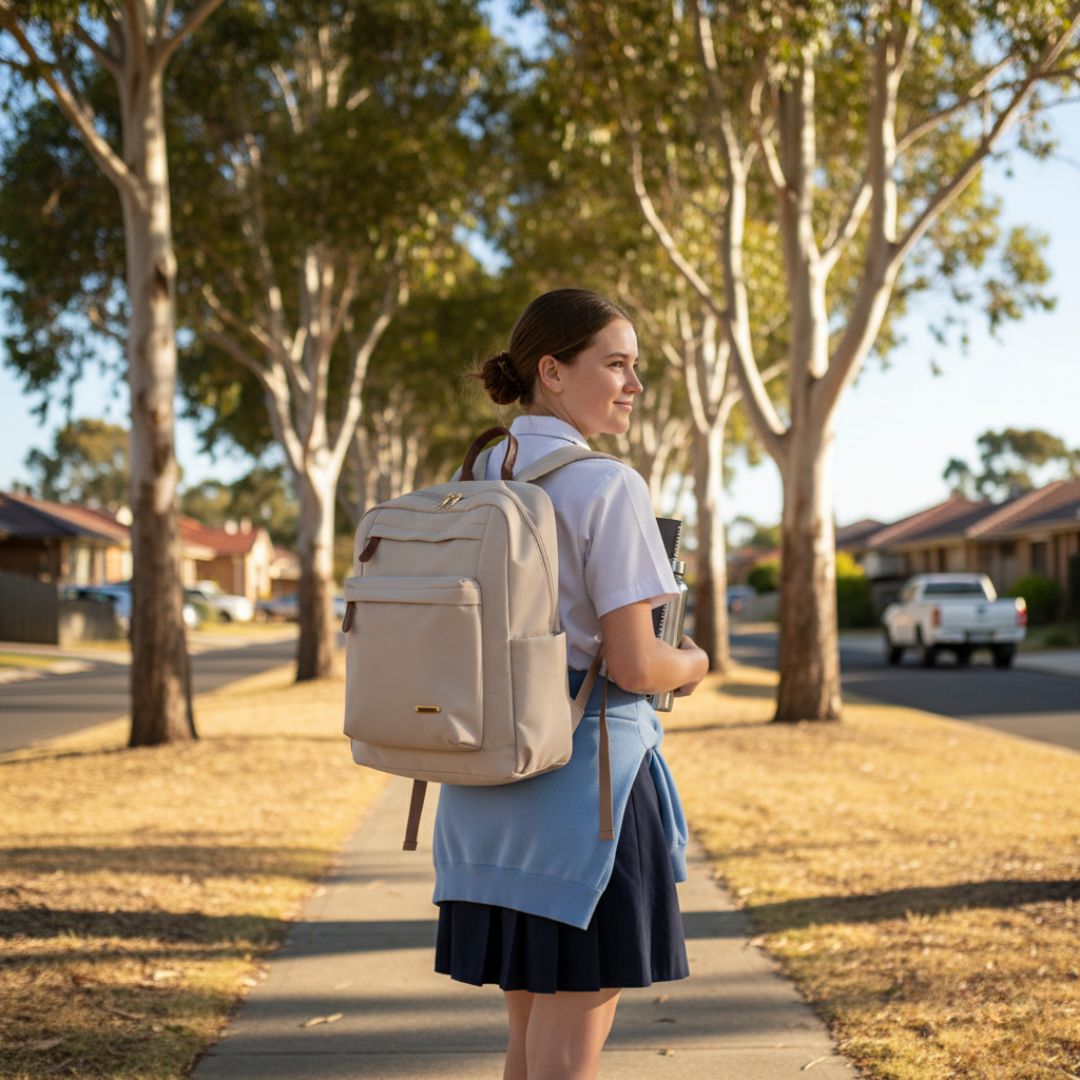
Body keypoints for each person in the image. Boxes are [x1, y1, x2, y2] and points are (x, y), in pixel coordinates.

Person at [432, 288, 710, 1080]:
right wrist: (694, 663)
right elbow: (634, 665)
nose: (633, 384)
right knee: (568, 1053)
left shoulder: (478, 470)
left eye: (636, 368)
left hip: (485, 785)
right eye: (615, 364)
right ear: (551, 370)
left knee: (527, 1040)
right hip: (588, 794)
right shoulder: (608, 485)